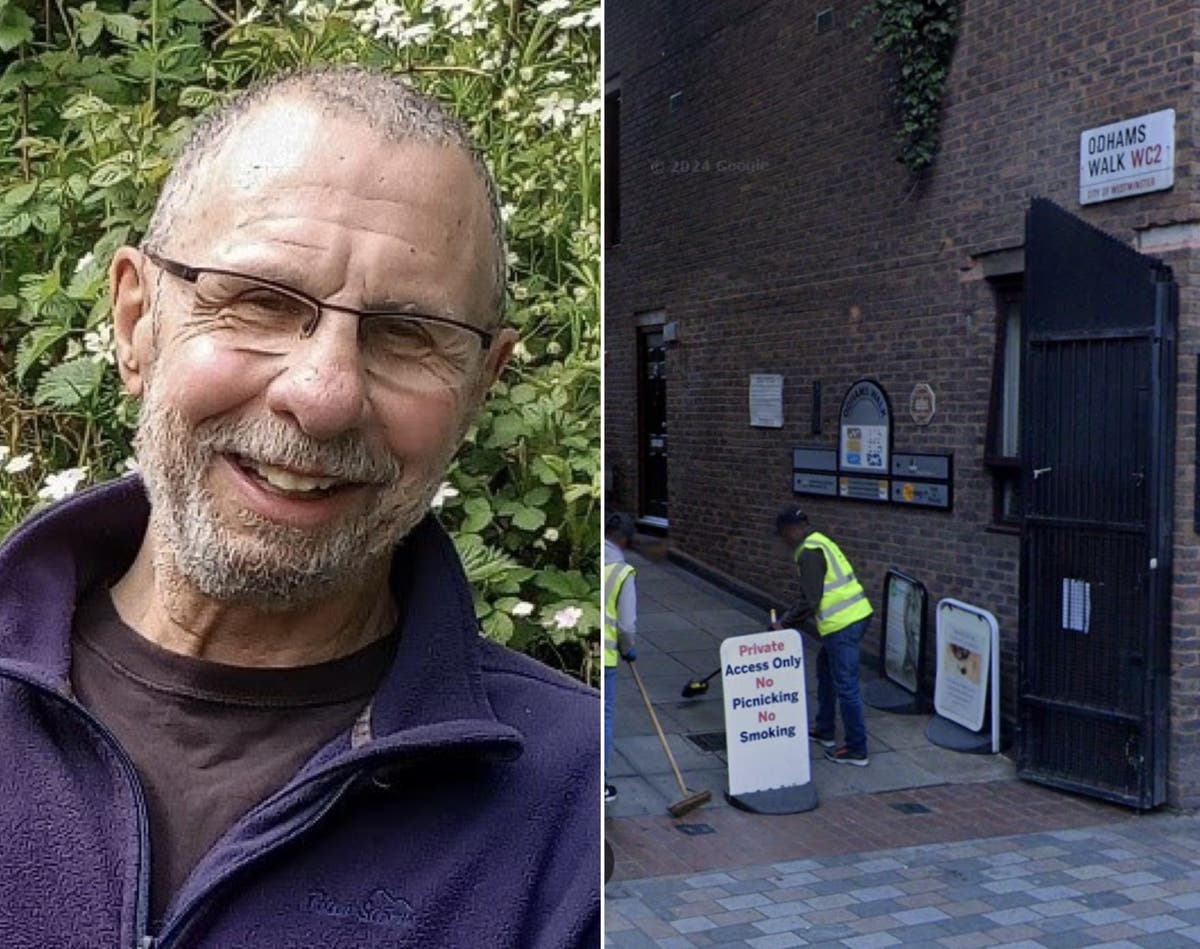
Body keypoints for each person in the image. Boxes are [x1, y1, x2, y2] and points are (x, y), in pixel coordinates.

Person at [0, 67, 599, 947]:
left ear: (481, 387)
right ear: (135, 322)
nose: (322, 394)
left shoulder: (572, 814)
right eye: (262, 302)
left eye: (405, 335)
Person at [773, 505, 873, 766]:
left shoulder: (808, 553)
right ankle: (825, 730)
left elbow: (811, 599)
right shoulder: (820, 540)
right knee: (825, 672)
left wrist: (785, 622)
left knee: (846, 685)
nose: (784, 540)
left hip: (843, 624)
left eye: (783, 534)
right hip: (855, 616)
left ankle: (857, 749)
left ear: (790, 530)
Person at [602, 512, 638, 803]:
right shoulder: (622, 571)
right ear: (624, 539)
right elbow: (626, 625)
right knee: (604, 717)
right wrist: (629, 649)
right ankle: (600, 783)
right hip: (608, 657)